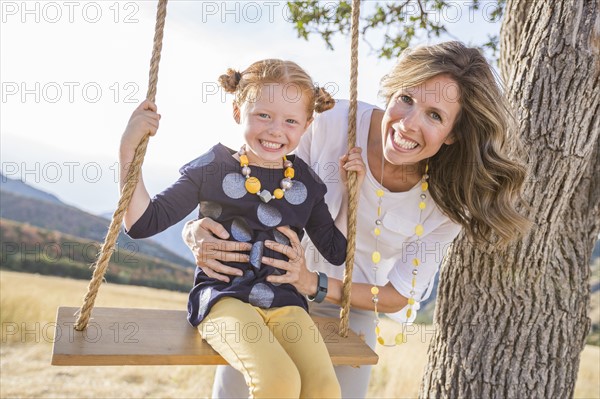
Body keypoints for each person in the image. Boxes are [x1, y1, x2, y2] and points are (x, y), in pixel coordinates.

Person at [183, 41, 531, 398]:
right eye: (406, 99)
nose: (408, 124)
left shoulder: (448, 201)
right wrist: (193, 229)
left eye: (435, 115)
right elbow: (245, 173)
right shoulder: (333, 122)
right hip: (261, 286)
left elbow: (398, 296)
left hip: (351, 307)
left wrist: (313, 283)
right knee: (253, 388)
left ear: (454, 132)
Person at [121, 59, 367, 398]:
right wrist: (128, 152)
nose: (275, 129)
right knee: (278, 382)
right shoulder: (211, 167)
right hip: (224, 298)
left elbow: (337, 251)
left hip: (286, 302)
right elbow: (142, 222)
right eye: (263, 115)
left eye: (291, 120)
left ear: (307, 125)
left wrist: (352, 193)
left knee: (324, 388)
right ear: (238, 111)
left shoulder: (306, 183)